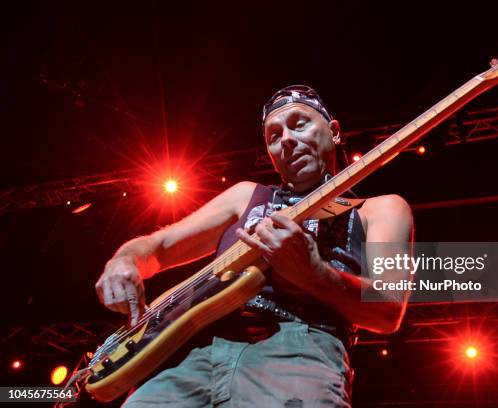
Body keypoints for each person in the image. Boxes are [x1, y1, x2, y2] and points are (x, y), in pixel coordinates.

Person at [95, 85, 413, 407]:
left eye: (299, 124)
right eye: (274, 136)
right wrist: (125, 261)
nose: (287, 139)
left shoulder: (381, 209)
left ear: (334, 132)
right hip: (190, 352)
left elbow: (388, 310)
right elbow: (159, 246)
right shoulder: (246, 195)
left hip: (299, 352)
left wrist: (313, 273)